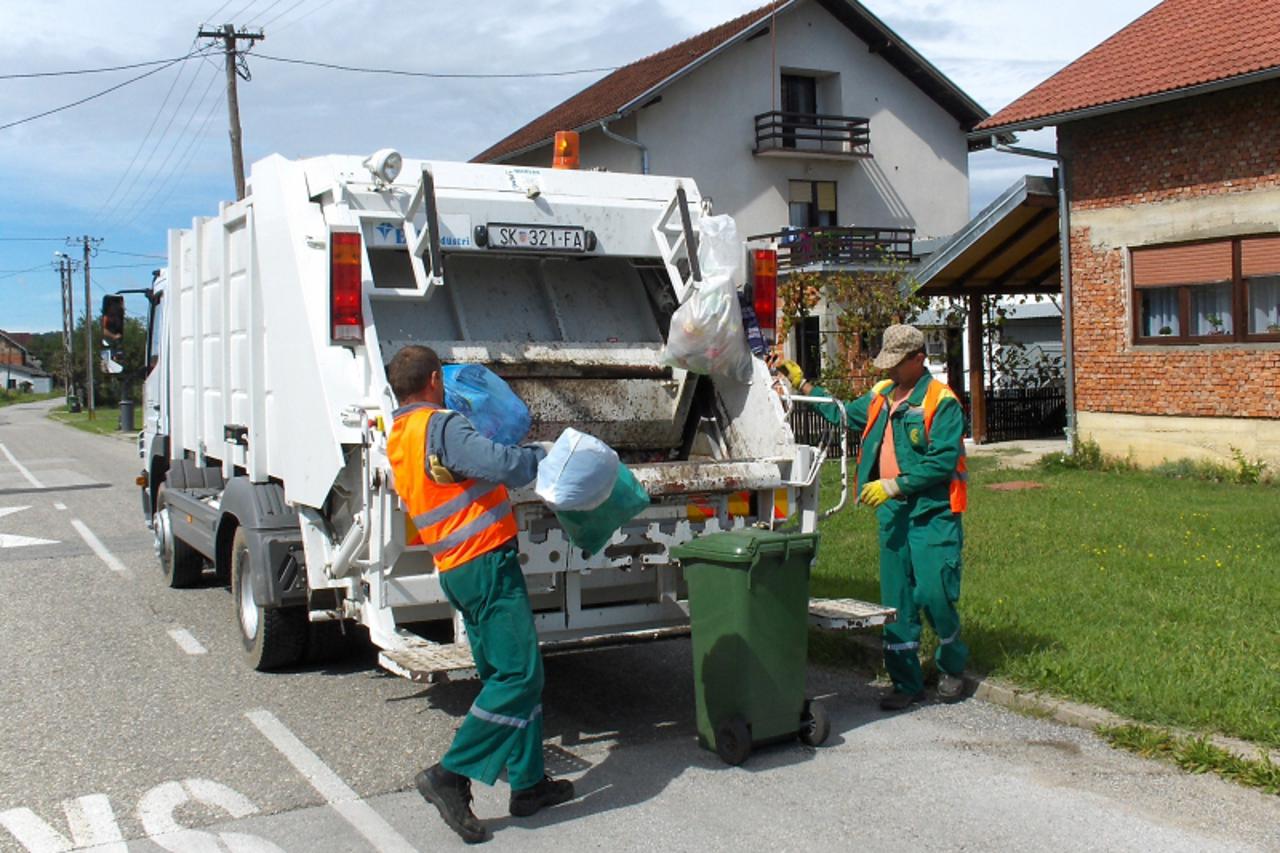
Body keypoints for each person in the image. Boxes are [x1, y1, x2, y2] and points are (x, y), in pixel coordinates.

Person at [385, 345, 573, 844]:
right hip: (486, 562)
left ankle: (528, 783)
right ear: (433, 380)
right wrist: (545, 455)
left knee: (501, 674)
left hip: (456, 567)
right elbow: (504, 465)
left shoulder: (400, 435)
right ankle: (450, 775)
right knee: (521, 676)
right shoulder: (441, 427)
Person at [769, 325, 969, 710]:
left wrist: (894, 485)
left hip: (933, 514)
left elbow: (942, 462)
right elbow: (842, 413)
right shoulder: (882, 395)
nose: (889, 369)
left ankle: (952, 665)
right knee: (897, 601)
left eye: (896, 363)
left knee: (934, 594)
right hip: (893, 515)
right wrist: (802, 383)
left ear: (918, 359)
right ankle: (906, 682)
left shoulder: (941, 402)